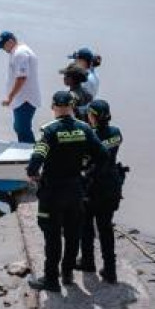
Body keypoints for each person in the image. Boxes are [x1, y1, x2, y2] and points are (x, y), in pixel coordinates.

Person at [26, 91, 107, 292]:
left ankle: (51, 280)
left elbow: (37, 158)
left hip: (52, 192)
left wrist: (32, 173)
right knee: (72, 234)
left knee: (52, 236)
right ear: (73, 107)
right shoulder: (85, 129)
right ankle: (68, 273)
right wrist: (86, 168)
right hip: (75, 189)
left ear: (53, 107)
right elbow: (103, 155)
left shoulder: (49, 131)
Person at [77, 99, 124, 284]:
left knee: (86, 226)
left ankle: (88, 261)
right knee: (105, 228)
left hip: (92, 187)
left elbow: (83, 161)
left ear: (92, 116)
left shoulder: (89, 136)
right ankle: (110, 270)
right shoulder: (117, 133)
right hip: (111, 186)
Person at [0, 31, 41, 143]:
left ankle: (30, 154)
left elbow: (22, 77)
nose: (4, 49)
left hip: (25, 99)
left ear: (11, 41)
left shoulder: (20, 53)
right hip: (21, 98)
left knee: (22, 128)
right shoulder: (18, 52)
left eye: (4, 46)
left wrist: (10, 97)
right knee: (19, 127)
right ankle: (26, 151)